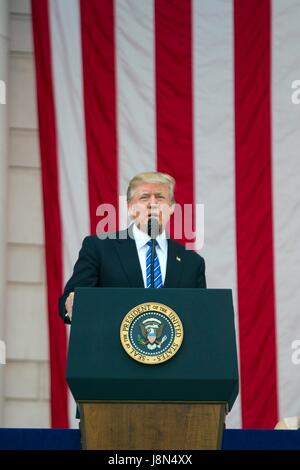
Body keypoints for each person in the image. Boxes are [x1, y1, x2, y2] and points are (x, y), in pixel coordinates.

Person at [59, 171, 206, 323]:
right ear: (130, 207)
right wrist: (72, 304)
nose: (152, 204)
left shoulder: (192, 262)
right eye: (144, 197)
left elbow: (202, 316)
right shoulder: (99, 248)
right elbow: (70, 300)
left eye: (160, 197)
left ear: (172, 208)